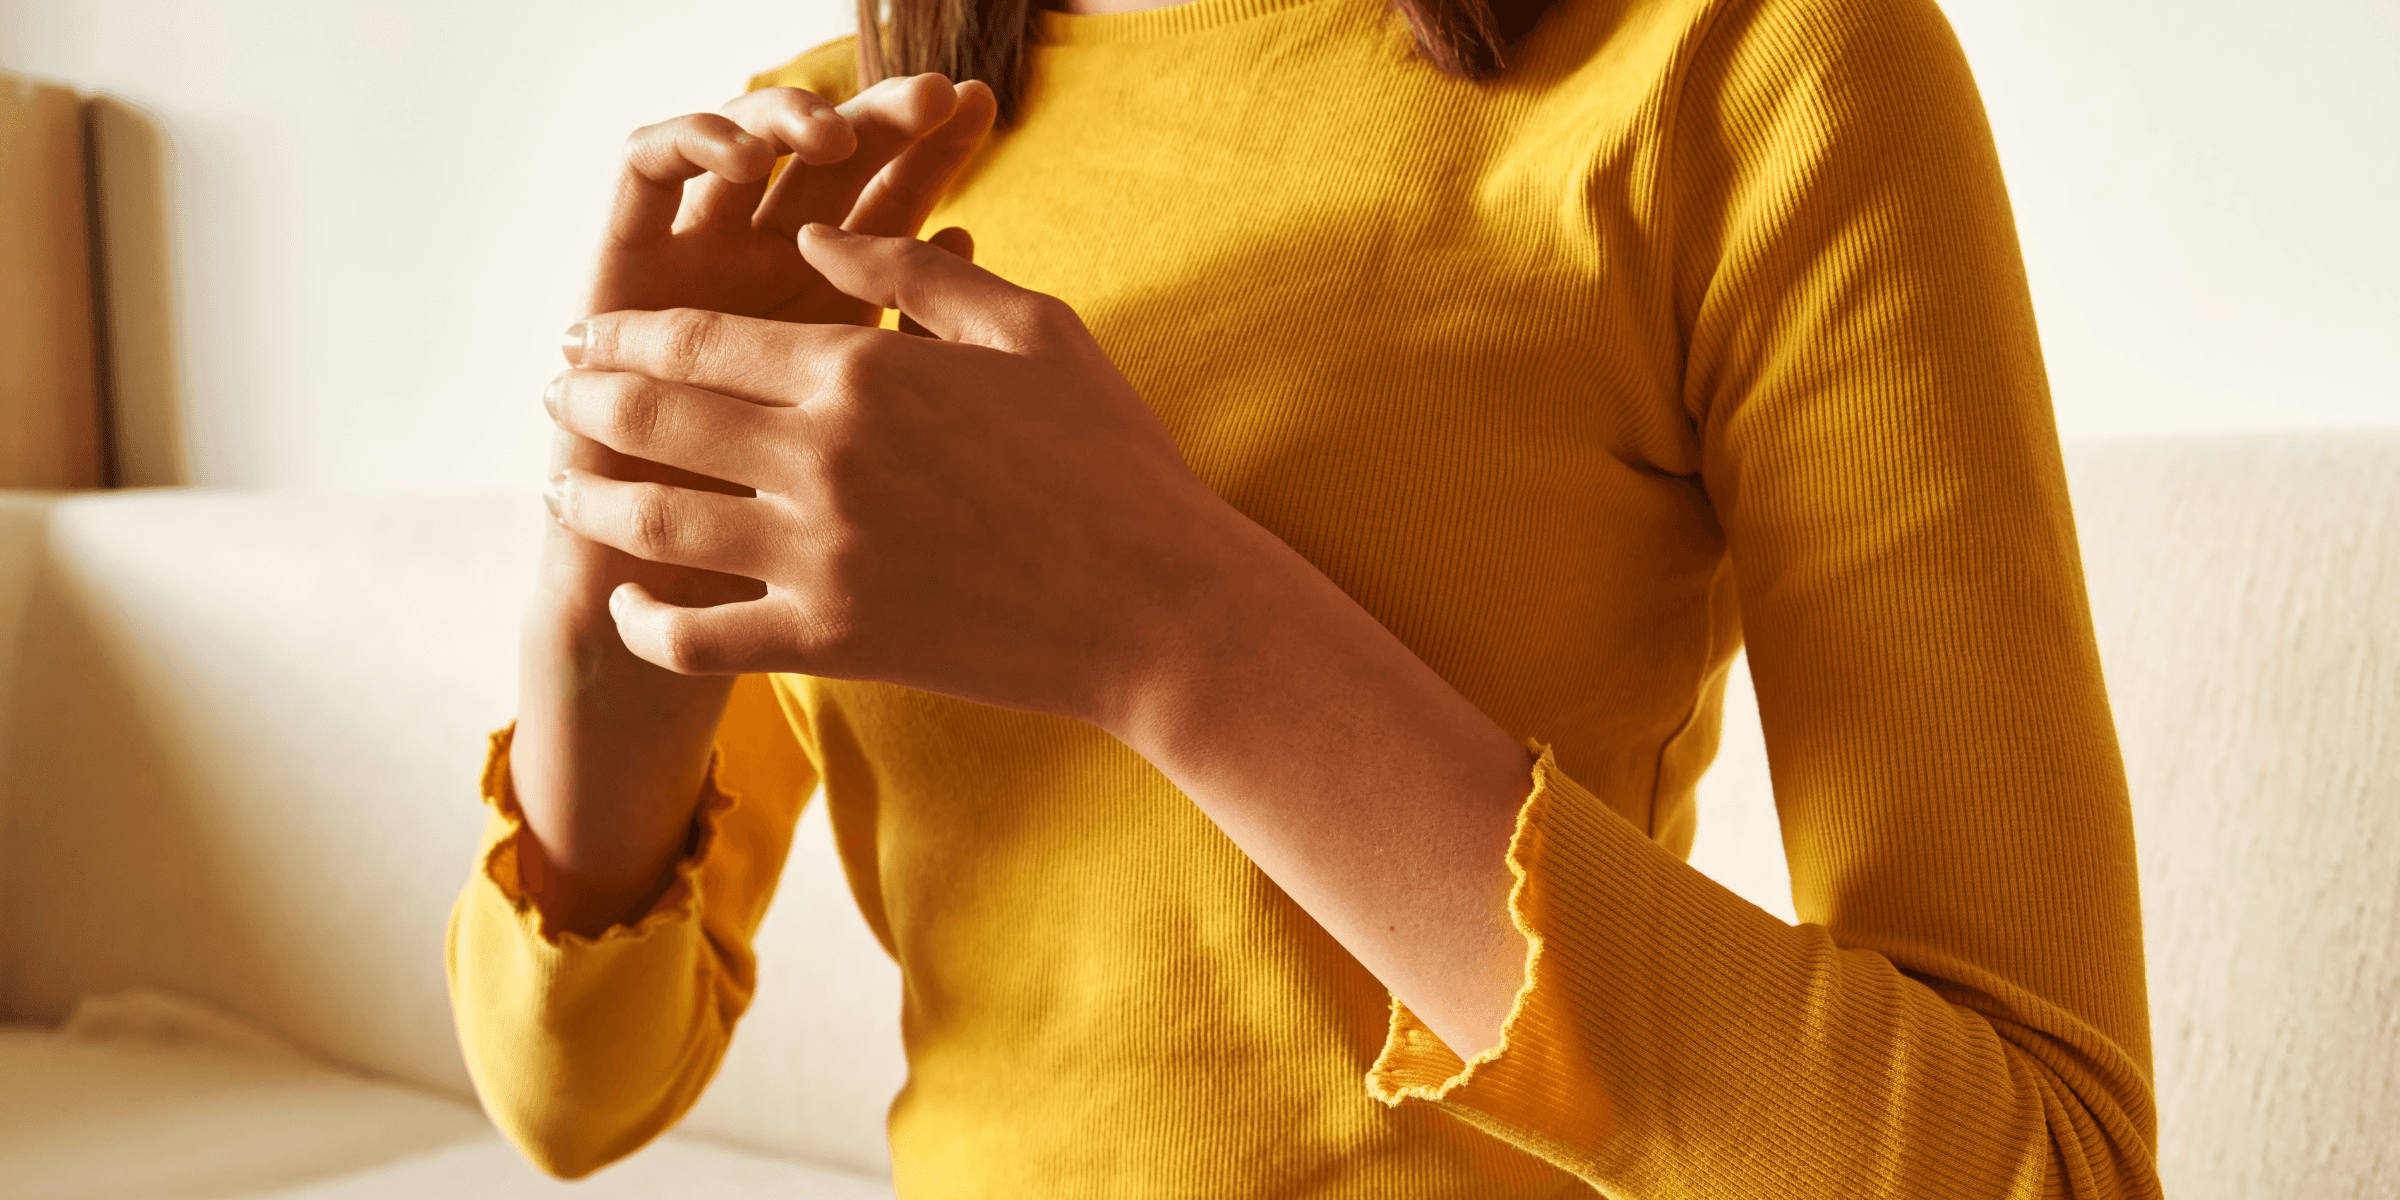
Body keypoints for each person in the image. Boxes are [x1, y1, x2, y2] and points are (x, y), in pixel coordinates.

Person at [444, 0, 2161, 1192]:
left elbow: (2043, 1159)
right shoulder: (834, 151)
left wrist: (1170, 630)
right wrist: (612, 608)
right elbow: (568, 1095)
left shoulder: (1754, 68)